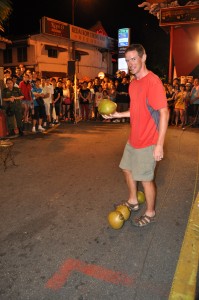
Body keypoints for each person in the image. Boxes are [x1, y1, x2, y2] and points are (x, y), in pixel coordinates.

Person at [102, 44, 169, 227]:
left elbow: (164, 113)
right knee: (126, 168)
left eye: (134, 59)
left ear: (143, 57)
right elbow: (136, 110)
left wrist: (159, 144)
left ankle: (150, 211)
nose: (130, 63)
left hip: (149, 141)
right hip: (134, 139)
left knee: (146, 180)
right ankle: (133, 200)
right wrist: (118, 115)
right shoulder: (133, 84)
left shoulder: (153, 82)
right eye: (127, 60)